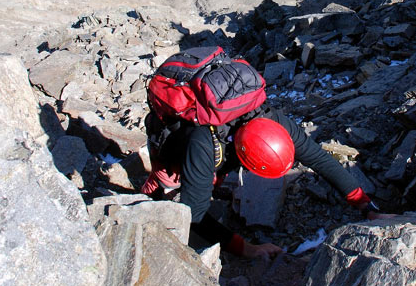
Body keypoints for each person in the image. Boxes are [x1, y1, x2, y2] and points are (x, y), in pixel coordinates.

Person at [141, 103, 389, 259]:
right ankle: (148, 193)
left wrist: (366, 206)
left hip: (221, 144)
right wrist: (246, 248)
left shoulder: (276, 123)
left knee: (210, 178)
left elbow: (319, 159)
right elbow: (193, 216)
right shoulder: (201, 146)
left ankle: (208, 182)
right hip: (176, 139)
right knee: (171, 183)